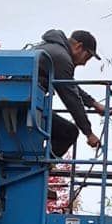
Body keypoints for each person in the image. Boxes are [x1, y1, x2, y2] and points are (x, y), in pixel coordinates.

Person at [32, 28, 105, 158]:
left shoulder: (50, 49)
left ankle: (40, 160)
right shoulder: (62, 58)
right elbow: (71, 99)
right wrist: (88, 133)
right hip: (27, 108)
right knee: (68, 132)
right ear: (79, 47)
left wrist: (93, 103)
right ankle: (40, 166)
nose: (84, 64)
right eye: (87, 57)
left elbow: (68, 84)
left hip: (22, 102)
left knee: (57, 127)